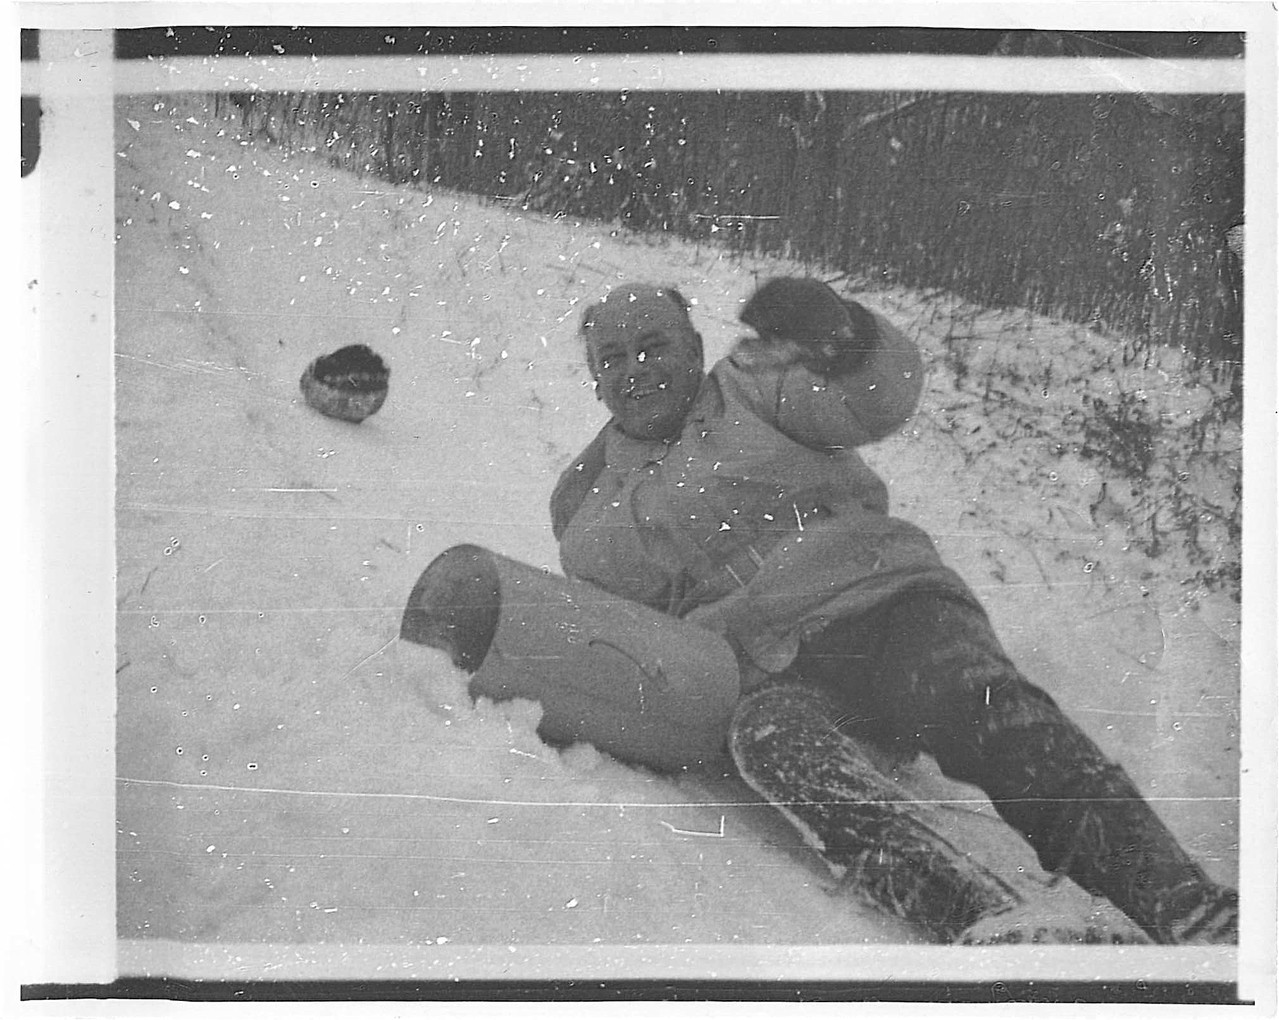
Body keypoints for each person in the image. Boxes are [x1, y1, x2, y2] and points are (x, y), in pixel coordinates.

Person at [549, 277, 1238, 945]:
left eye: (654, 345)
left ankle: (1178, 901)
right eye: (613, 359)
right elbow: (628, 642)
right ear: (595, 381)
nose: (636, 369)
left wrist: (844, 337)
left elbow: (874, 400)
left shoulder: (751, 387)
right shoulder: (589, 517)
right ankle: (988, 921)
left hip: (885, 602)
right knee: (769, 741)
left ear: (695, 349)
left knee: (982, 707)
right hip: (775, 668)